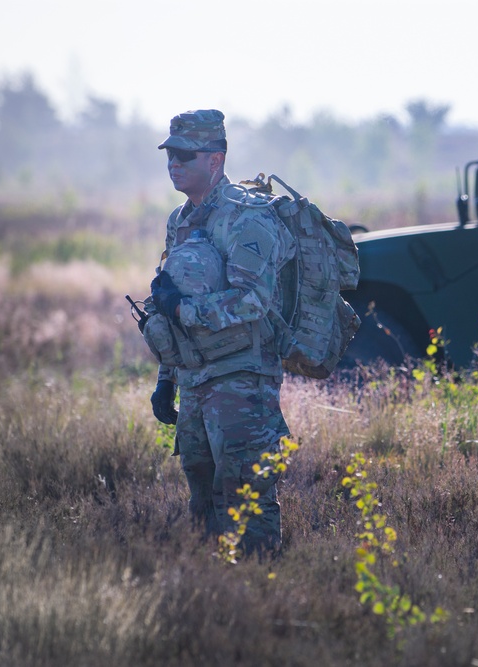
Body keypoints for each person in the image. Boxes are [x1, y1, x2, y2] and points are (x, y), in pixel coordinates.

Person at [147, 109, 294, 555]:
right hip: (194, 376)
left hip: (241, 375)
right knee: (202, 491)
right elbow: (170, 297)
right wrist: (166, 379)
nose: (174, 164)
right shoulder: (179, 219)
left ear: (215, 159)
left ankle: (262, 587)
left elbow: (252, 302)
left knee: (245, 490)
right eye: (170, 154)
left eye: (185, 155)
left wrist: (184, 309)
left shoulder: (249, 218)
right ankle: (216, 593)